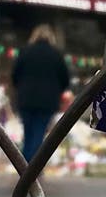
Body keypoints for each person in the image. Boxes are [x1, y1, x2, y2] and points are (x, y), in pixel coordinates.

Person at [11, 24, 70, 164]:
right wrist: (57, 91)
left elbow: (15, 75)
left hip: (26, 99)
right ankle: (32, 165)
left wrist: (20, 88)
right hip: (47, 101)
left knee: (27, 132)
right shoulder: (56, 54)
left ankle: (24, 164)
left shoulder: (25, 51)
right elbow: (65, 78)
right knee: (39, 132)